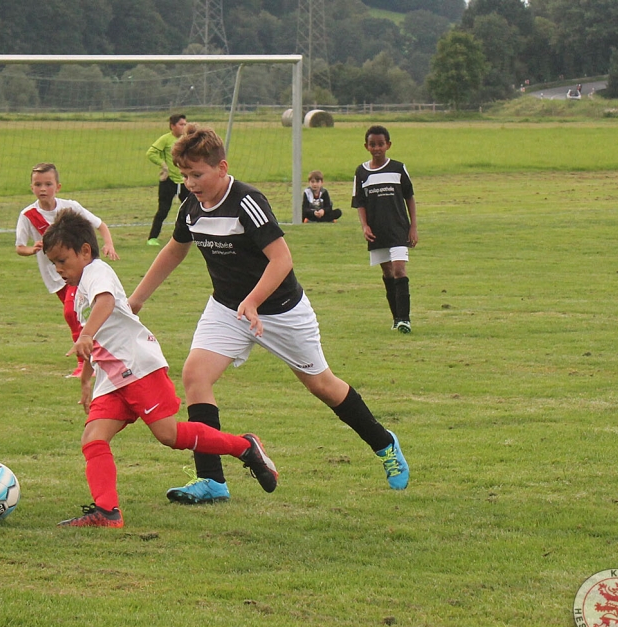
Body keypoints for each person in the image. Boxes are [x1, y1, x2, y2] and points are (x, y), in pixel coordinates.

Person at [129, 124, 409, 505]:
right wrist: (137, 300)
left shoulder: (247, 201)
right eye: (185, 176)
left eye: (197, 174)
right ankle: (211, 479)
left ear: (222, 168)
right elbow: (175, 250)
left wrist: (254, 300)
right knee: (195, 375)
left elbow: (281, 259)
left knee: (322, 385)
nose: (190, 183)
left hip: (281, 311)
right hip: (228, 308)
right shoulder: (191, 207)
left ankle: (384, 443)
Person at [41, 210, 278, 527]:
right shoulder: (78, 288)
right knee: (93, 437)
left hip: (138, 367)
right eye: (53, 263)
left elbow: (105, 303)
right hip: (112, 379)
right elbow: (94, 340)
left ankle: (245, 448)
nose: (58, 269)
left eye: (62, 261)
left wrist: (85, 335)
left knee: (169, 435)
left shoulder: (97, 272)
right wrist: (87, 378)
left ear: (85, 251)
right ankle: (107, 512)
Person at [15, 163, 119, 377]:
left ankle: (84, 364)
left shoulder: (70, 209)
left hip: (78, 273)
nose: (43, 189)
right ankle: (103, 355)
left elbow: (100, 225)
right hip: (55, 278)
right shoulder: (28, 215)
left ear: (58, 186)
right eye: (38, 184)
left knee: (72, 313)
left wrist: (108, 244)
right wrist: (31, 249)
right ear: (31, 187)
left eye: (48, 184)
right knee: (82, 315)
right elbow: (19, 247)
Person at [352, 125, 418, 334]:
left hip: (398, 229)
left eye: (381, 144)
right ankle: (396, 317)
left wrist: (413, 226)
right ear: (366, 146)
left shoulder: (398, 169)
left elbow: (409, 197)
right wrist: (365, 226)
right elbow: (360, 203)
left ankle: (405, 319)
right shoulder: (362, 172)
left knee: (399, 269)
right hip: (377, 232)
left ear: (388, 145)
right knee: (388, 272)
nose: (377, 148)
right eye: (373, 144)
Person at [145, 113, 189, 246]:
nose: (184, 127)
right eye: (181, 124)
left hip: (186, 181)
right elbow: (151, 153)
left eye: (185, 124)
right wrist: (163, 165)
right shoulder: (165, 139)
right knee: (163, 210)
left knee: (191, 209)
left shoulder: (187, 140)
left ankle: (193, 236)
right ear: (172, 126)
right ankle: (152, 238)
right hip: (169, 181)